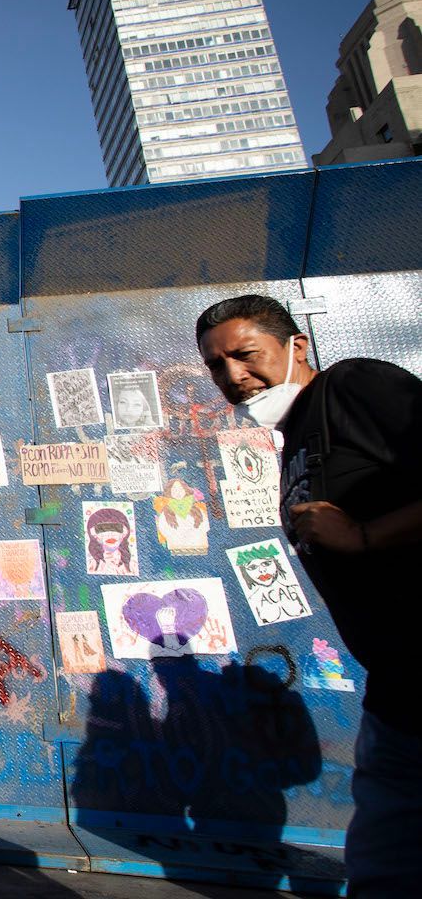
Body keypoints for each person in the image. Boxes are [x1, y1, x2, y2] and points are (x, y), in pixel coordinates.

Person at [196, 293, 422, 896]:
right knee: (384, 867)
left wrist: (367, 535)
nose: (233, 377)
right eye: (216, 367)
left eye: (244, 355)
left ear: (297, 346)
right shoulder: (299, 433)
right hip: (399, 688)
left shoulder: (353, 387)